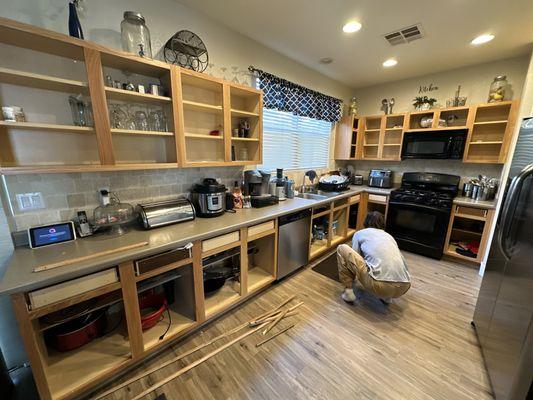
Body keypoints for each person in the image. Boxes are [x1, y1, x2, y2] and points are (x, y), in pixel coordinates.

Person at [337, 211, 410, 304]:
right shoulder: (389, 236)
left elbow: (354, 257)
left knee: (342, 248)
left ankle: (348, 292)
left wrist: (352, 278)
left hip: (380, 286)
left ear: (366, 222)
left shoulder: (360, 233)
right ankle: (387, 297)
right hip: (404, 286)